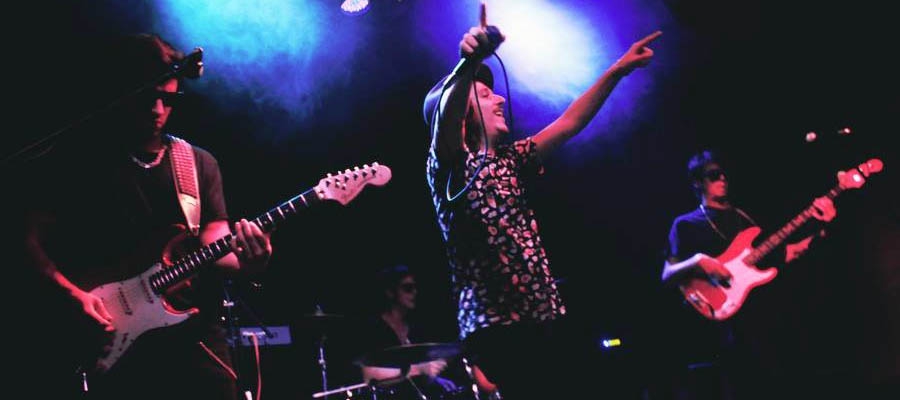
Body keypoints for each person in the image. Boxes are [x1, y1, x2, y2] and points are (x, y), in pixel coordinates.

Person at [21, 33, 273, 400]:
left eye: (168, 99)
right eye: (146, 97)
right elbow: (25, 239)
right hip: (112, 348)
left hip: (195, 346)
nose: (157, 109)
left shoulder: (197, 163)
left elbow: (214, 239)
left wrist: (252, 260)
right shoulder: (79, 161)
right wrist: (71, 296)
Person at [423, 21, 661, 398]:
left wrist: (618, 70)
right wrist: (467, 64)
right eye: (484, 95)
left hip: (544, 319)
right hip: (498, 330)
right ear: (464, 116)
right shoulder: (451, 167)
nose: (499, 99)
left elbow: (570, 122)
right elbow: (445, 124)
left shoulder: (512, 159)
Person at [658, 149, 837, 400]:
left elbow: (788, 253)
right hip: (722, 328)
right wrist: (699, 262)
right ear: (698, 182)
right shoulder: (686, 224)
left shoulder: (743, 218)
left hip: (763, 323)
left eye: (723, 174)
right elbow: (667, 275)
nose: (722, 178)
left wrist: (823, 226)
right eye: (714, 175)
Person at [355, 265, 469, 399]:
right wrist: (419, 369)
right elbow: (369, 375)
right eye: (408, 288)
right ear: (390, 292)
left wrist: (435, 380)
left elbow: (419, 377)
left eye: (415, 288)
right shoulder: (374, 328)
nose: (415, 292)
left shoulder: (416, 328)